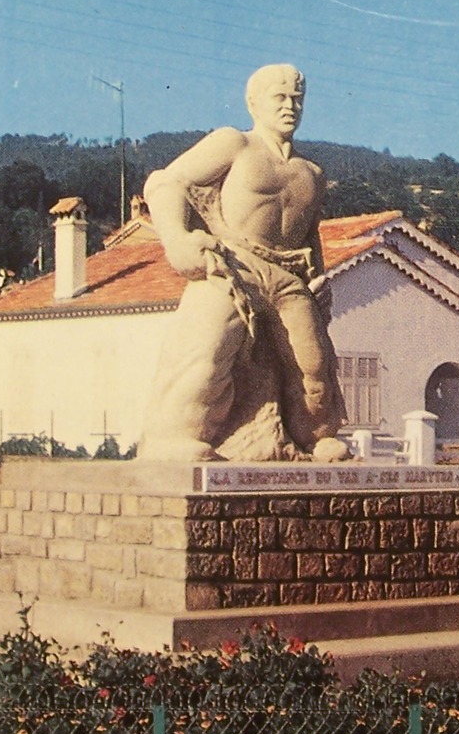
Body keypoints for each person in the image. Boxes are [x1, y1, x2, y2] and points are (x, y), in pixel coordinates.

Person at [137, 64, 349, 461]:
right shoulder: (234, 143)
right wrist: (177, 241)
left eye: (297, 99)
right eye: (280, 98)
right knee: (209, 349)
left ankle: (314, 437)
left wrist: (319, 279)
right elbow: (166, 182)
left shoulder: (312, 173)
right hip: (234, 264)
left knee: (313, 364)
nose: (291, 106)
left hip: (288, 276)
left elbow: (309, 234)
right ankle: (175, 438)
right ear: (254, 103)